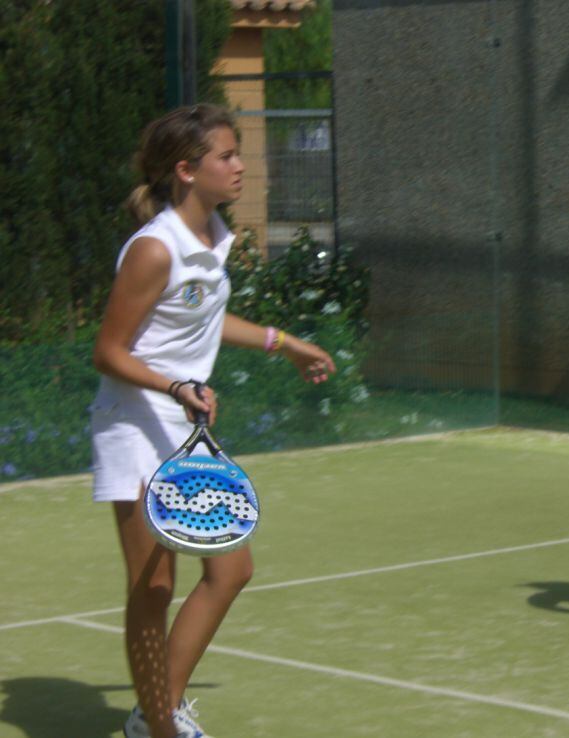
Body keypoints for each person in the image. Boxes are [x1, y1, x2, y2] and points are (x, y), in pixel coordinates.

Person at [91, 104, 337, 737]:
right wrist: (178, 384)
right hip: (133, 425)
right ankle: (161, 725)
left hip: (181, 424)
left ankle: (155, 712)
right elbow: (109, 351)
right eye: (226, 156)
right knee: (154, 584)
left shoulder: (213, 237)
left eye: (238, 154)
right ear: (186, 170)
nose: (240, 166)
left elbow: (202, 318)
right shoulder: (154, 248)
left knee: (232, 570)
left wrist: (286, 342)